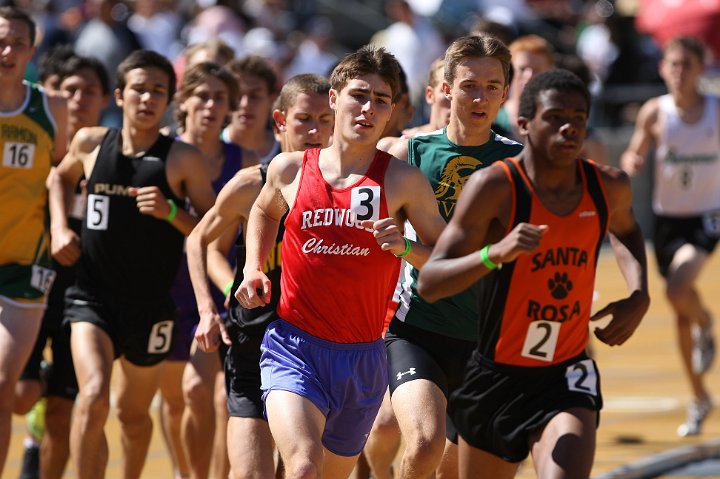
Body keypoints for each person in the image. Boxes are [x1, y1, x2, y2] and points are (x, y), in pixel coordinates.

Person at [417, 68, 650, 479]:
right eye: (556, 117)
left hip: (565, 373)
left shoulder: (608, 186)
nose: (569, 128)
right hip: (495, 375)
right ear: (523, 124)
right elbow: (432, 282)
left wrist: (639, 294)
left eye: (579, 118)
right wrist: (495, 253)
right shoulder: (495, 188)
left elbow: (629, 231)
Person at [233, 45, 447, 479]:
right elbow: (263, 209)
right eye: (359, 94)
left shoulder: (402, 180)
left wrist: (405, 248)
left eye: (381, 100)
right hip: (293, 346)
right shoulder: (289, 169)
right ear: (333, 98)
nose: (368, 108)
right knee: (302, 466)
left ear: (391, 113)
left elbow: (446, 258)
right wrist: (254, 265)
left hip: (363, 358)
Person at [48, 49, 216, 479]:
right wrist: (61, 227)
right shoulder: (90, 142)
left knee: (132, 416)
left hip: (150, 307)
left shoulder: (181, 159)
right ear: (120, 95)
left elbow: (213, 228)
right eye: (139, 88)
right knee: (93, 396)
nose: (148, 97)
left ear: (168, 102)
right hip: (91, 300)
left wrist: (171, 213)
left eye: (158, 90)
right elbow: (59, 177)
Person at [382, 34, 522, 479]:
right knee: (423, 444)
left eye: (492, 87)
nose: (480, 97)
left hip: (491, 342)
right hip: (419, 330)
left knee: (457, 470)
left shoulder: (519, 164)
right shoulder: (408, 154)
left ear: (505, 92)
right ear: (446, 87)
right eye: (468, 85)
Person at [189, 72, 334, 479]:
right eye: (304, 118)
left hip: (319, 348)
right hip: (253, 343)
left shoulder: (347, 190)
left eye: (325, 120)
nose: (315, 130)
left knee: (303, 468)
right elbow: (198, 242)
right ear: (280, 121)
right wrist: (211, 305)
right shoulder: (251, 183)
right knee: (251, 473)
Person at [15, 53, 110, 479]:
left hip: (84, 296)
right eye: (69, 89)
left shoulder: (111, 155)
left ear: (106, 98)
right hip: (30, 285)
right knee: (20, 394)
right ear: (53, 92)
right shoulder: (38, 152)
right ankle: (36, 399)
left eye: (89, 91)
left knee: (62, 412)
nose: (78, 99)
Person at [620, 36, 719, 437]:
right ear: (663, 68)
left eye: (686, 65)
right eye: (672, 64)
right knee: (679, 310)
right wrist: (632, 162)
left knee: (678, 288)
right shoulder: (655, 112)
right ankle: (699, 397)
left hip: (707, 216)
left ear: (701, 68)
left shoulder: (715, 111)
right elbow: (632, 151)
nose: (679, 72)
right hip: (667, 220)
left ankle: (707, 323)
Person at [161, 61, 240, 479]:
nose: (210, 105)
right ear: (184, 101)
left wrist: (173, 213)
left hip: (213, 291)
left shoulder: (239, 159)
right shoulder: (163, 153)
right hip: (166, 289)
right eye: (202, 95)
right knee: (174, 399)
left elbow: (219, 240)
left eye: (220, 98)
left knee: (208, 394)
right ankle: (182, 470)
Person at [0, 6, 67, 476]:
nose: (7, 51)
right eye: (0, 40)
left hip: (25, 264)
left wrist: (63, 227)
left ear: (31, 50)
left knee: (4, 386)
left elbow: (60, 177)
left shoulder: (51, 108)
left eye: (17, 43)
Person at [223, 56, 280, 164]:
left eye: (255, 95)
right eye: (238, 95)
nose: (245, 104)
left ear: (272, 99)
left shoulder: (287, 150)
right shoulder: (210, 148)